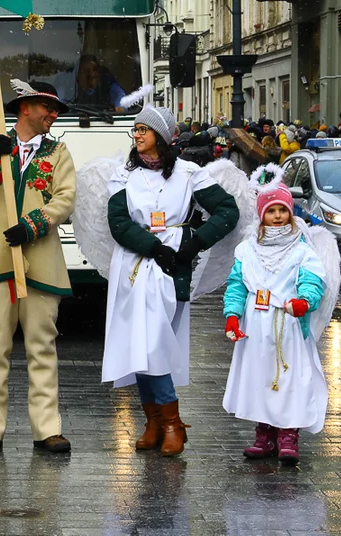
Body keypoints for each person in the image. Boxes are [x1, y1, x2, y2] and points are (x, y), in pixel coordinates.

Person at [102, 99, 239, 457]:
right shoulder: (124, 175)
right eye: (136, 129)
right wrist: (151, 245)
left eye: (144, 129)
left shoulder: (190, 173)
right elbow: (118, 222)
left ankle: (171, 422)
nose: (137, 134)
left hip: (173, 266)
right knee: (143, 345)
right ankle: (157, 421)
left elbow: (227, 210)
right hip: (134, 267)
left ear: (161, 136)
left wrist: (195, 242)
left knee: (155, 343)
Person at [0, 80, 76, 454]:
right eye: (48, 109)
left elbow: (66, 198)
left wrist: (34, 223)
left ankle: (47, 428)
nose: (53, 116)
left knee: (42, 347)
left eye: (55, 111)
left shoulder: (58, 152)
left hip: (39, 262)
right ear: (26, 108)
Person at [222, 174, 333, 465]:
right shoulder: (247, 250)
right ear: (262, 215)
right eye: (271, 211)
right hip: (256, 324)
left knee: (289, 379)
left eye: (282, 210)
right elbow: (236, 285)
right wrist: (232, 316)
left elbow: (312, 282)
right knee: (261, 378)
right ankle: (264, 435)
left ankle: (288, 435)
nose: (277, 216)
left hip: (288, 326)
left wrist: (303, 302)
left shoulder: (302, 250)